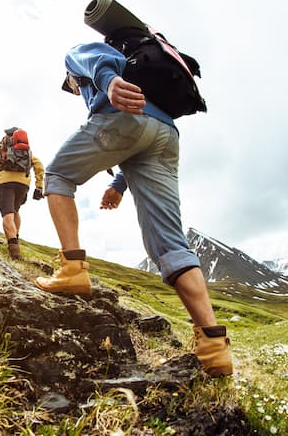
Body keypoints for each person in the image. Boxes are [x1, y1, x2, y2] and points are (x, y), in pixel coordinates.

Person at [33, 38, 232, 377]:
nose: (72, 89)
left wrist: (109, 84)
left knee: (57, 176)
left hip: (124, 116)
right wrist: (118, 184)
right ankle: (214, 347)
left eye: (69, 87)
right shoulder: (148, 76)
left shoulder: (78, 57)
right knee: (170, 243)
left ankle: (72, 271)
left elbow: (97, 60)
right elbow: (141, 139)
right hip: (166, 134)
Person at [0, 127, 45, 260]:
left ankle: (15, 253)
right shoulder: (26, 151)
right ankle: (15, 238)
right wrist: (39, 185)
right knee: (15, 210)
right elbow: (39, 165)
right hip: (23, 184)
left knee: (7, 215)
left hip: (5, 183)